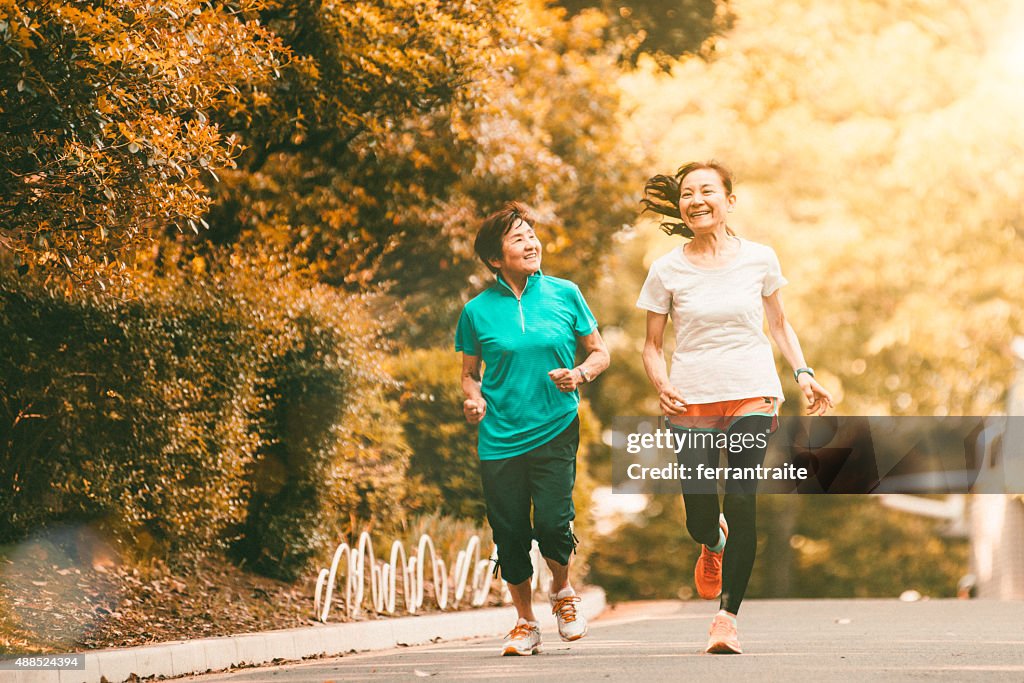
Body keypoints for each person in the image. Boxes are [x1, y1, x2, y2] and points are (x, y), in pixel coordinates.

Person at [636, 161, 833, 654]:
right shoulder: (666, 269)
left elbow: (779, 325)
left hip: (752, 390)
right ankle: (711, 541)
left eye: (707, 191)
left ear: (729, 200)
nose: (696, 200)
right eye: (687, 193)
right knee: (700, 509)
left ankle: (726, 619)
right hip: (691, 397)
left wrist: (804, 373)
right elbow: (652, 345)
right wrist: (661, 384)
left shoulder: (760, 259)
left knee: (742, 497)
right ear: (680, 206)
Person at [455, 201, 610, 656]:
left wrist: (579, 374)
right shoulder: (476, 311)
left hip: (555, 423)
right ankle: (524, 622)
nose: (531, 243)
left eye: (531, 234)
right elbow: (469, 372)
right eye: (517, 237)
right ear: (495, 258)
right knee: (509, 531)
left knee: (552, 521)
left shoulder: (566, 293)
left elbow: (600, 352)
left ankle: (562, 593)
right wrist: (473, 398)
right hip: (499, 435)